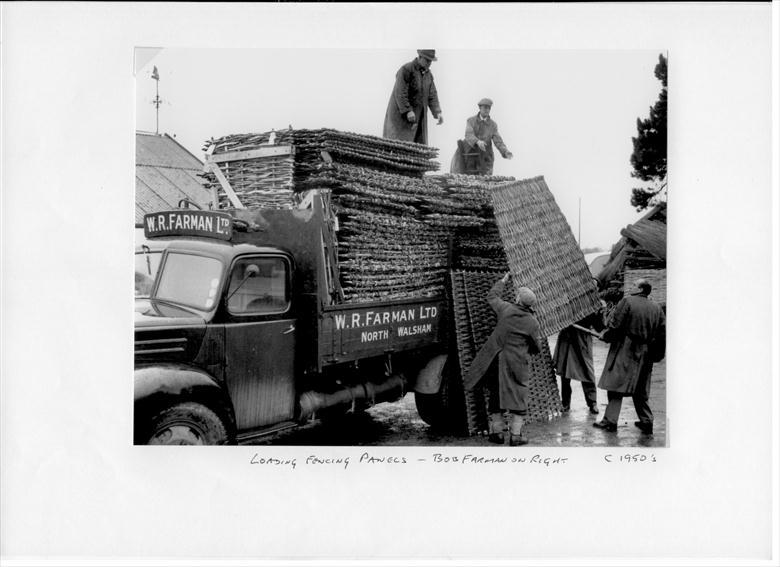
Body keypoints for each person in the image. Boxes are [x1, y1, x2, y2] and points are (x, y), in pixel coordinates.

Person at [463, 273, 541, 446]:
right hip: (517, 364)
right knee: (519, 395)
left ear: (519, 300)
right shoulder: (532, 322)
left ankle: (497, 433)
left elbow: (491, 296)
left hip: (496, 361)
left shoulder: (505, 309)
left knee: (496, 395)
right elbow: (537, 347)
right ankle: (515, 436)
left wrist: (503, 280)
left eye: (518, 295)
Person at [593, 278, 666, 434]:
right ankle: (647, 421)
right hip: (646, 353)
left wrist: (605, 336)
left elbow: (615, 325)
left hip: (625, 349)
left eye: (634, 285)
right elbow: (662, 334)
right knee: (640, 388)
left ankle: (610, 421)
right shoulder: (657, 308)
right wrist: (656, 355)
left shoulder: (627, 302)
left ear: (640, 289)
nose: (631, 287)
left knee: (615, 385)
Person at [383, 50, 443, 145]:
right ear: (419, 57)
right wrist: (407, 110)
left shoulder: (428, 75)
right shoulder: (406, 69)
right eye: (427, 60)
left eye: (431, 61)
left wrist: (437, 112)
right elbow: (400, 92)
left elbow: (432, 95)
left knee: (417, 147)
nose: (429, 63)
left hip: (418, 119)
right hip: (401, 119)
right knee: (398, 146)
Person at [553, 310, 605, 415]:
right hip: (567, 337)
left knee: (587, 371)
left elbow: (599, 327)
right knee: (565, 371)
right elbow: (556, 319)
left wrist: (600, 313)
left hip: (582, 338)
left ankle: (592, 402)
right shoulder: (565, 302)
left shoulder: (593, 305)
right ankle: (565, 403)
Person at [457, 98, 513, 175]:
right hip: (471, 156)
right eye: (485, 107)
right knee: (469, 180)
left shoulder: (493, 125)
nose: (487, 110)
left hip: (486, 158)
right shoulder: (471, 121)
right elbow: (468, 134)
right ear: (480, 108)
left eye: (489, 108)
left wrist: (505, 151)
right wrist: (477, 141)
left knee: (486, 182)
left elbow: (498, 141)